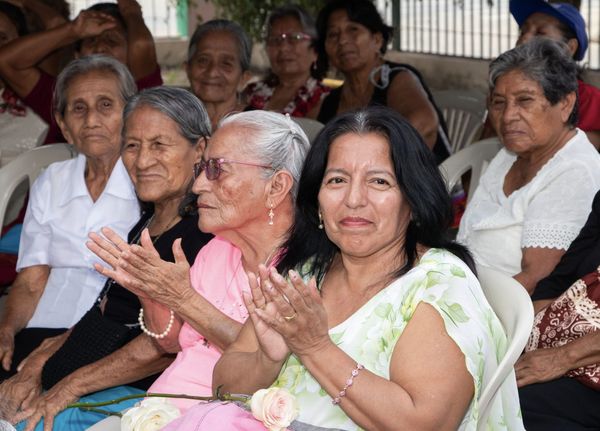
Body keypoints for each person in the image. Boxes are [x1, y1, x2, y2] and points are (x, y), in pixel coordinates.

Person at [164, 106, 523, 431]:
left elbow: (424, 423)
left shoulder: (438, 286)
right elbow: (223, 386)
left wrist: (316, 348)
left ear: (413, 199)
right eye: (337, 180)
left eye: (379, 182)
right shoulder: (306, 272)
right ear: (317, 199)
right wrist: (267, 359)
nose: (353, 200)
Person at [0, 86, 214, 431]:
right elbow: (106, 308)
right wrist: (41, 361)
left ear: (199, 149)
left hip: (141, 394)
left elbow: (167, 345)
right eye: (132, 145)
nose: (142, 161)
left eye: (159, 145)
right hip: (89, 369)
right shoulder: (149, 221)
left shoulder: (201, 233)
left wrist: (68, 387)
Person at [86, 110, 310, 415]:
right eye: (202, 168)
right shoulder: (217, 250)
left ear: (276, 186)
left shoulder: (306, 270)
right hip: (158, 410)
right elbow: (172, 344)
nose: (198, 185)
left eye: (217, 169)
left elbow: (275, 360)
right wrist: (150, 291)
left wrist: (183, 298)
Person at [0, 55, 141, 384]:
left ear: (131, 115)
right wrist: (6, 329)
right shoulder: (52, 180)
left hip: (114, 332)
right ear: (63, 125)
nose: (91, 119)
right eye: (78, 108)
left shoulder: (147, 181)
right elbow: (31, 280)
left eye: (105, 104)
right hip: (44, 326)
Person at [457, 38, 600, 294]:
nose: (508, 116)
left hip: (501, 308)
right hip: (463, 286)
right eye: (499, 103)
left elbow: (535, 281)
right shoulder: (511, 154)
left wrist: (460, 303)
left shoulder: (575, 171)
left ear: (565, 104)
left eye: (524, 101)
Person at [0, 0, 161, 144]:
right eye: (91, 41)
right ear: (77, 55)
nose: (100, 48)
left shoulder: (141, 94)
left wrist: (132, 13)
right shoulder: (60, 96)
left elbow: (141, 44)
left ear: (131, 53)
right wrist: (73, 30)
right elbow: (5, 61)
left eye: (112, 41)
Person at [315, 0, 450, 162]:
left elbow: (423, 124)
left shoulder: (396, 78)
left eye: (353, 29)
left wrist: (369, 160)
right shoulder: (331, 102)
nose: (342, 40)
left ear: (377, 40)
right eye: (333, 34)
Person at [513, 189, 600, 430]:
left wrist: (562, 358)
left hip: (583, 369)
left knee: (512, 405)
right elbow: (561, 278)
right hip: (567, 342)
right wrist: (522, 333)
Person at [511, 0, 600, 148]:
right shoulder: (507, 93)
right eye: (523, 31)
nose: (524, 38)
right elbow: (484, 147)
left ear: (570, 48)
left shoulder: (591, 101)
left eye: (540, 32)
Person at [243, 5, 330, 119]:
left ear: (315, 50)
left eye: (294, 38)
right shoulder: (252, 93)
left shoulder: (326, 100)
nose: (283, 48)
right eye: (275, 40)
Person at [185, 19, 251, 130]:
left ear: (244, 78)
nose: (212, 72)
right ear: (188, 69)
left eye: (226, 63)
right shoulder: (172, 123)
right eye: (203, 60)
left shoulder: (258, 129)